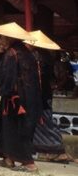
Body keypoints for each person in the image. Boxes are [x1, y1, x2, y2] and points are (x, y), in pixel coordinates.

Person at [0, 22, 42, 172]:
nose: (1, 40)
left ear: (8, 37)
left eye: (2, 37)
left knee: (17, 128)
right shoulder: (28, 52)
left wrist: (1, 89)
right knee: (11, 128)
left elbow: (8, 76)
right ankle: (9, 158)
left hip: (16, 98)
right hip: (30, 97)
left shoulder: (11, 54)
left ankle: (28, 163)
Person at [27, 30, 75, 164]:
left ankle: (58, 152)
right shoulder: (45, 56)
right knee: (43, 123)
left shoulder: (37, 57)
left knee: (46, 122)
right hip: (43, 93)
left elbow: (39, 78)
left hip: (40, 94)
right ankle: (51, 152)